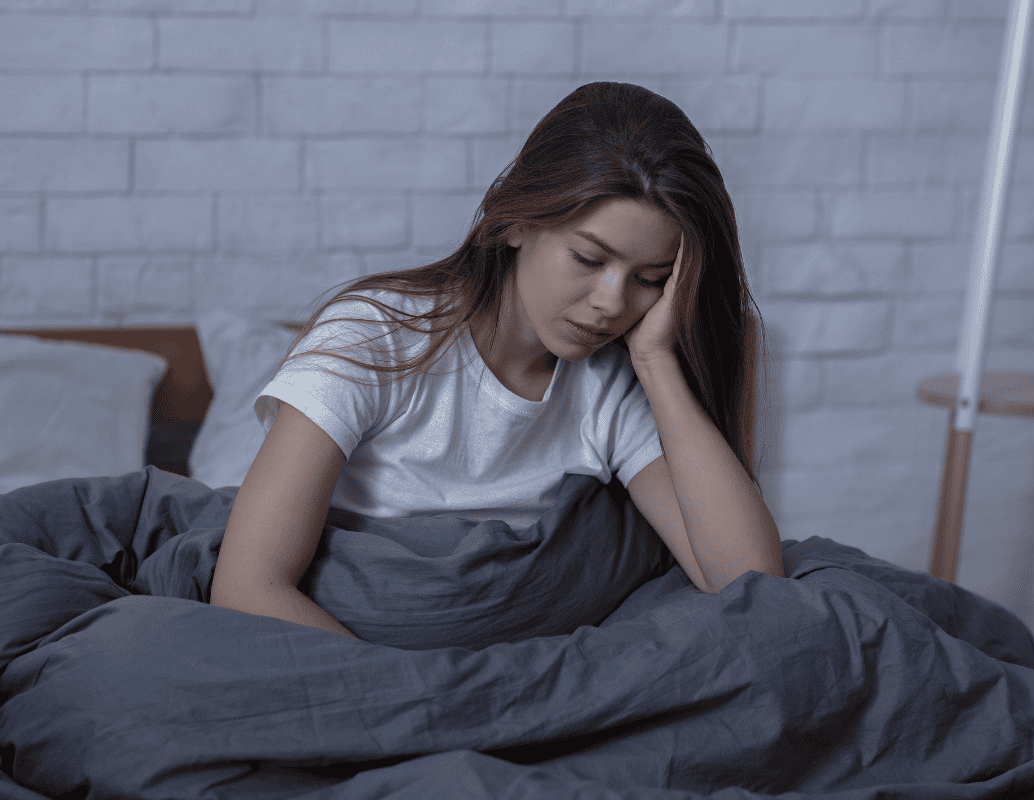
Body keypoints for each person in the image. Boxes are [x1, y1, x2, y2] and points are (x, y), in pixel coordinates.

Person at [209, 81, 785, 639]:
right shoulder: (372, 337)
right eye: (588, 259)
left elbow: (748, 579)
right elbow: (246, 585)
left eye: (649, 279)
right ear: (516, 222)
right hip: (361, 649)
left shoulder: (609, 385)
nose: (613, 303)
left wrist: (656, 361)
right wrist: (420, 690)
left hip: (515, 656)